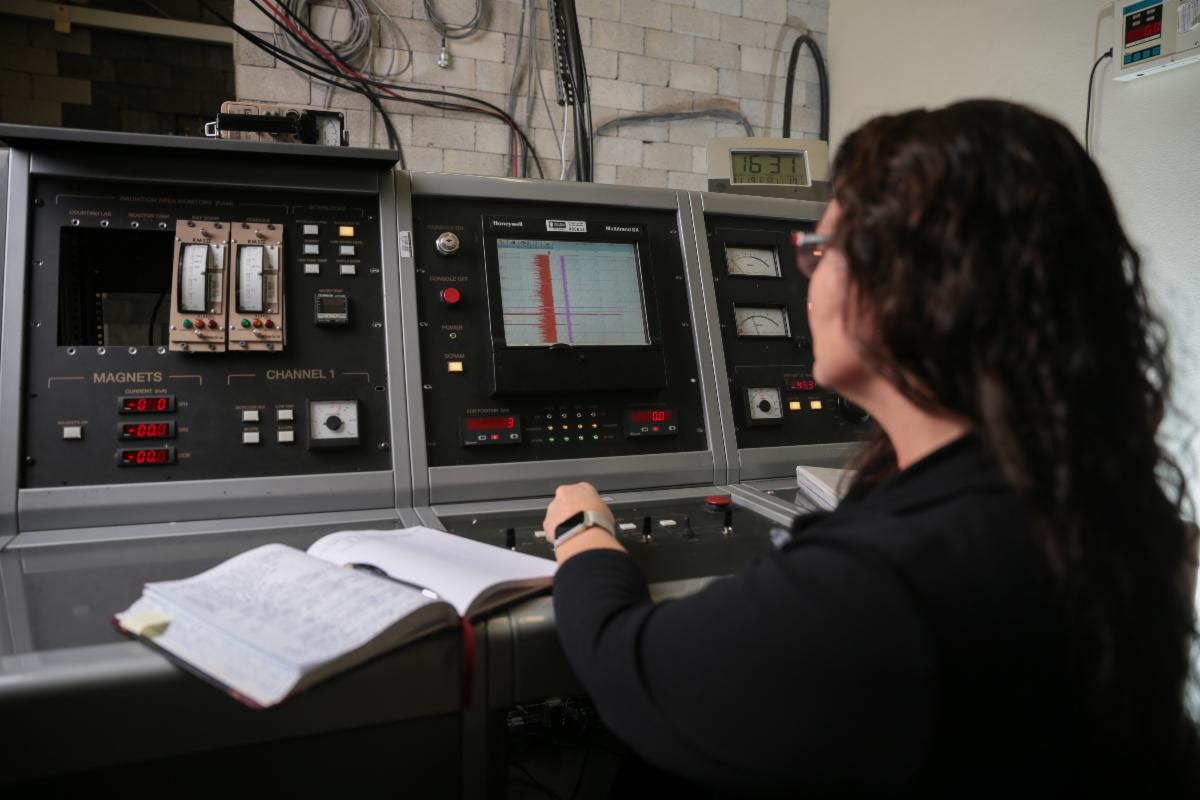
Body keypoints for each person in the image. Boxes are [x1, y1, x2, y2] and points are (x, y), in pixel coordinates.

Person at [542, 99, 1199, 796]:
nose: (807, 279)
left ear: (914, 290)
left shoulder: (885, 586)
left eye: (820, 252)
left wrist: (586, 535)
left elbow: (627, 669)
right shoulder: (1109, 505)